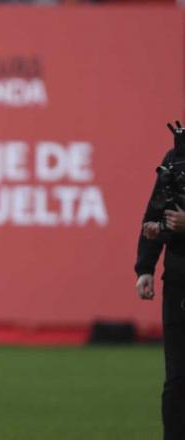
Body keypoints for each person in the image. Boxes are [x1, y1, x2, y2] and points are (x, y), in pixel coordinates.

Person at [136, 121, 185, 440]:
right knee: (178, 380)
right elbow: (156, 210)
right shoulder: (174, 159)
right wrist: (146, 267)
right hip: (178, 282)